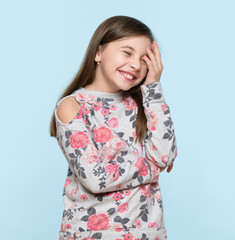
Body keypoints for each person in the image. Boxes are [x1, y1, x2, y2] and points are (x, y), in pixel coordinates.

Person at [49, 15, 178, 240]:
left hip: (147, 233)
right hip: (92, 233)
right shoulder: (73, 106)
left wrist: (153, 89)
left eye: (144, 59)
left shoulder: (144, 104)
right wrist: (152, 168)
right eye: (127, 53)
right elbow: (95, 178)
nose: (136, 65)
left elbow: (165, 156)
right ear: (98, 53)